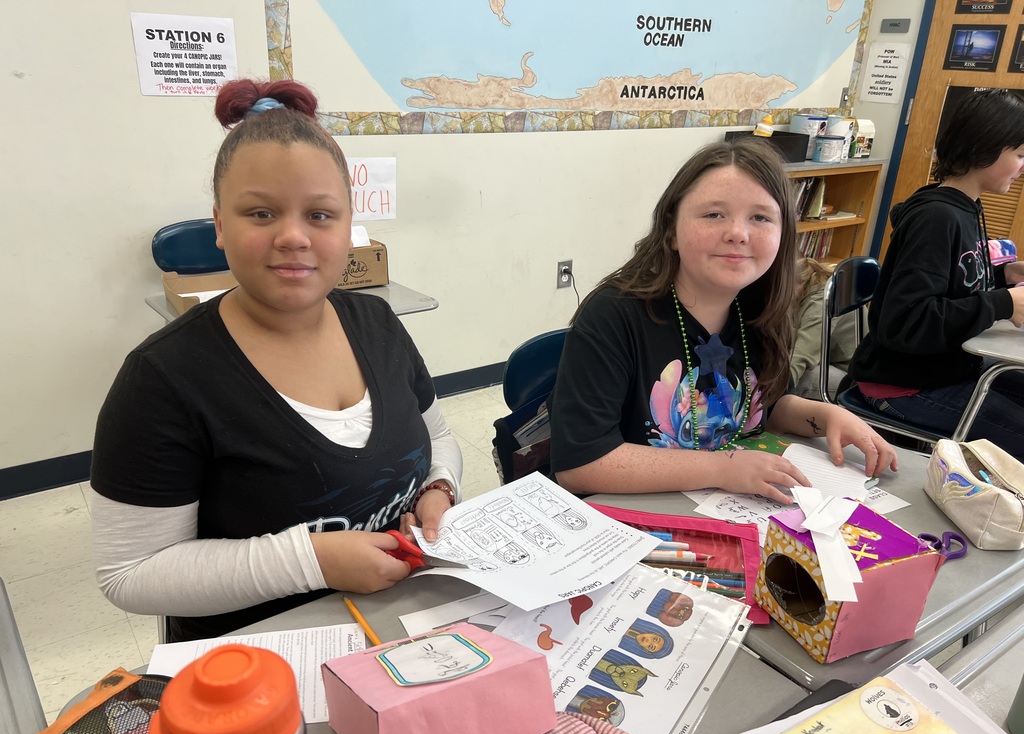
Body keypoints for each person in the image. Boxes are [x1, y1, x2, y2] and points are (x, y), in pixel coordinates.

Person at [90, 78, 462, 641]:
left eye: (320, 215)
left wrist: (440, 488)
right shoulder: (164, 379)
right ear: (219, 225)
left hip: (403, 627)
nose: (293, 237)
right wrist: (312, 560)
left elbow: (439, 438)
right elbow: (130, 573)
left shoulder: (378, 324)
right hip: (263, 661)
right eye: (261, 214)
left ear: (348, 226)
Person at [549, 139, 897, 505]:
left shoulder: (762, 311)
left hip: (722, 510)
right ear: (671, 231)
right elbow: (581, 465)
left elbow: (760, 407)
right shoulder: (614, 315)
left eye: (760, 217)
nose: (738, 233)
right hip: (625, 521)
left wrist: (824, 416)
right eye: (714, 214)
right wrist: (723, 468)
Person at [846, 88, 1024, 459]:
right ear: (984, 148)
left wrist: (1003, 275)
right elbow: (907, 321)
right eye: (1019, 155)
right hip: (902, 388)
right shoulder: (938, 218)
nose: (1023, 165)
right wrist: (1002, 302)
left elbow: (955, 280)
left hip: (943, 370)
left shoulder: (966, 207)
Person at [789, 257, 858, 400]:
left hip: (850, 377)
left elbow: (802, 355)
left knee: (798, 380)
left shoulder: (824, 301)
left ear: (800, 283)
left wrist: (764, 395)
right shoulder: (811, 289)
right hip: (828, 360)